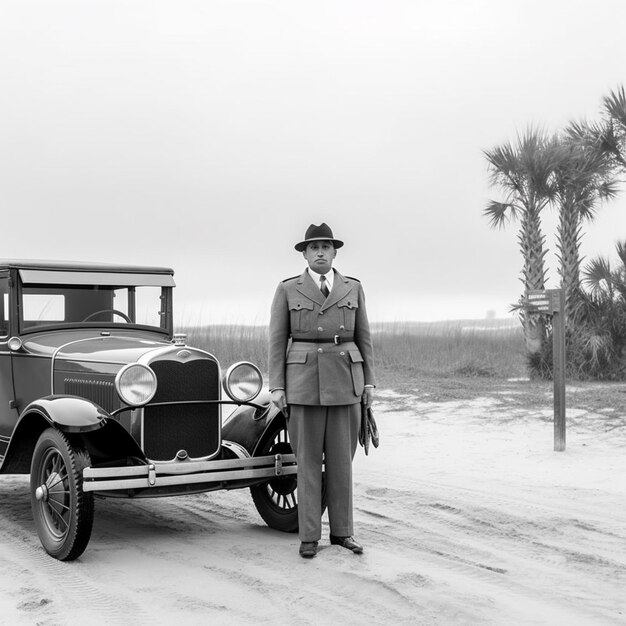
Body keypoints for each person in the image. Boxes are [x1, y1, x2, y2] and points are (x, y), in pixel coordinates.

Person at [268, 222, 375, 558]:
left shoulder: (353, 288)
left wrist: (369, 382)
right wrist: (277, 386)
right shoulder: (288, 289)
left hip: (346, 381)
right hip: (304, 384)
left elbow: (364, 338)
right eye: (313, 247)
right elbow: (276, 340)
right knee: (309, 462)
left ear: (334, 252)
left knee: (343, 462)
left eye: (325, 246)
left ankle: (343, 533)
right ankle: (309, 536)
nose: (320, 252)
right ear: (304, 253)